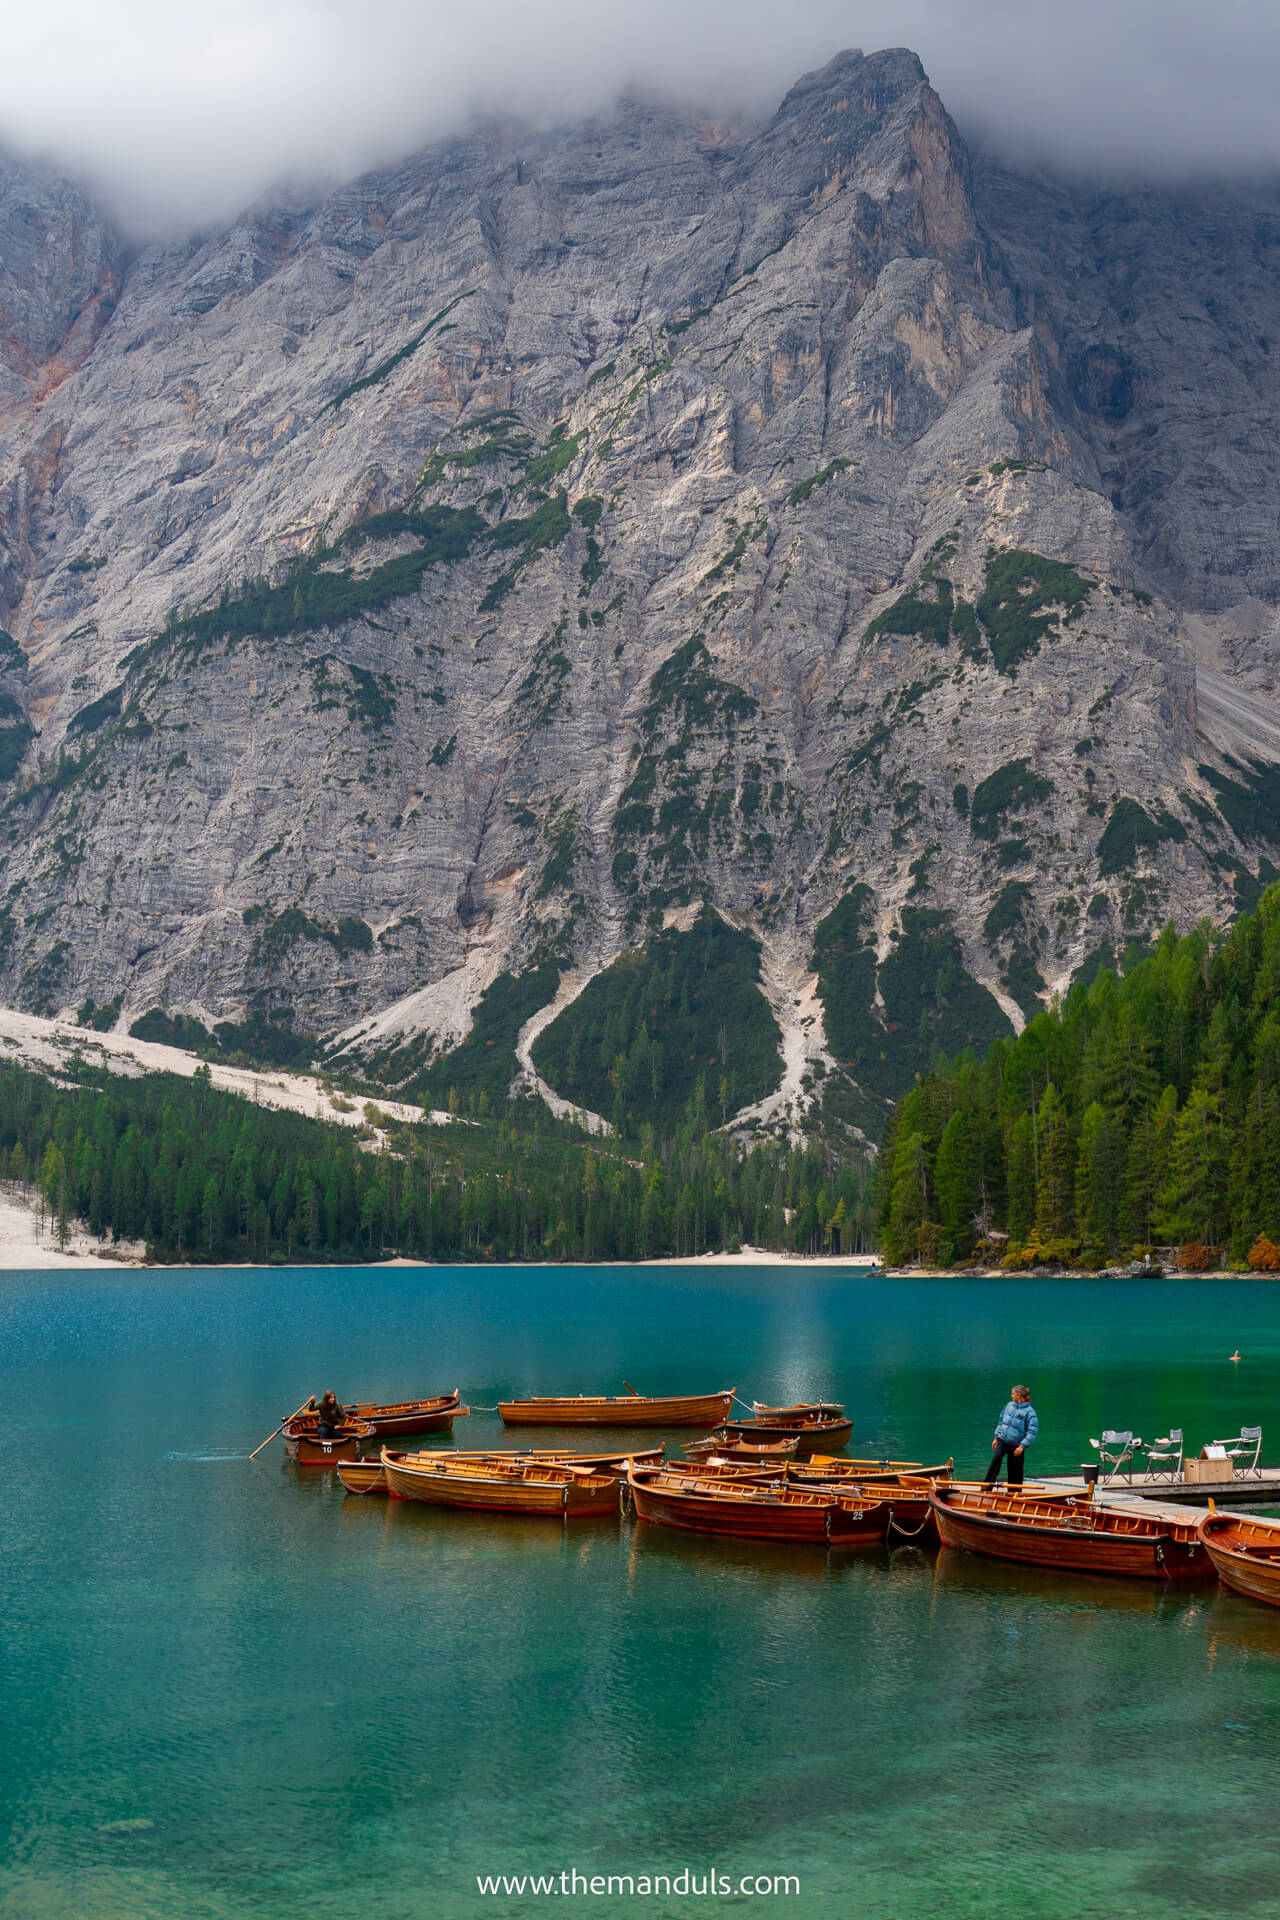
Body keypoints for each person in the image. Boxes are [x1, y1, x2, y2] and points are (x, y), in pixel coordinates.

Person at [984, 1384, 1038, 1485]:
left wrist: (1022, 1446)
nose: (1011, 1396)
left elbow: (1032, 1432)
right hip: (1003, 1440)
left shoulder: (1030, 1412)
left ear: (1019, 1395)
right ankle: (986, 1486)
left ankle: (1014, 1491)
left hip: (1016, 1445)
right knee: (996, 1459)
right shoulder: (1009, 1405)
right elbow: (1001, 1421)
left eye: (1013, 1394)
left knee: (1015, 1470)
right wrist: (996, 1437)